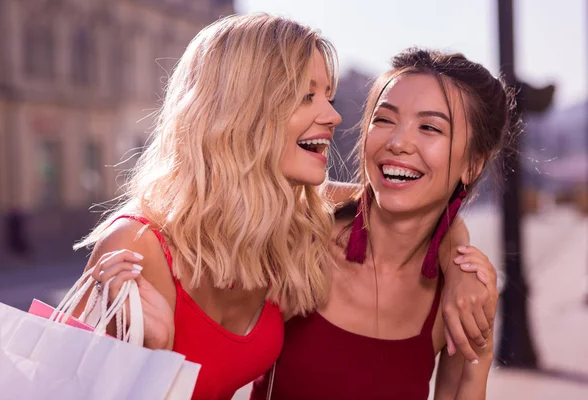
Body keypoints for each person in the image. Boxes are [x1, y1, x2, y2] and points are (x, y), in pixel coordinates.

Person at [73, 15, 496, 400]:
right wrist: (155, 357)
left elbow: (405, 210)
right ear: (244, 107)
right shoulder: (141, 245)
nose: (333, 116)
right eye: (305, 95)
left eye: (327, 95)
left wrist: (457, 260)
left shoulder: (283, 225)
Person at [252, 48, 514, 400]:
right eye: (384, 119)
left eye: (429, 127)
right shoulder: (303, 234)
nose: (398, 143)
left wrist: (479, 354)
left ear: (473, 165)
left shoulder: (456, 299)